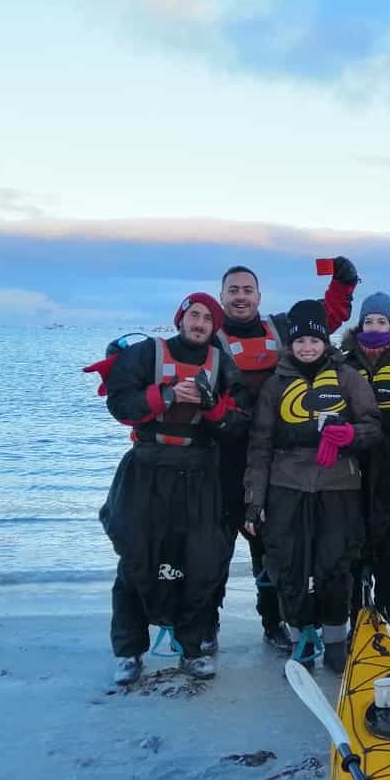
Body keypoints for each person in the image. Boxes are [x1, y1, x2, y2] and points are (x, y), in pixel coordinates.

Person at [99, 293, 249, 687]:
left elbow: (241, 419)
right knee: (136, 558)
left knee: (199, 561)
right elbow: (119, 403)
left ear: (214, 327)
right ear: (181, 318)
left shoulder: (222, 364)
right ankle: (129, 651)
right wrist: (165, 396)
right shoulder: (147, 353)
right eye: (194, 315)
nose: (199, 323)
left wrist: (214, 408)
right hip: (146, 468)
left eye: (207, 319)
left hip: (199, 471)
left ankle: (194, 646)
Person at [214, 259, 358, 653]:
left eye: (247, 290)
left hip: (278, 452)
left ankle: (276, 621)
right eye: (233, 291)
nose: (240, 297)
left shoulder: (280, 328)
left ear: (258, 296)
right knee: (226, 539)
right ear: (222, 297)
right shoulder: (212, 337)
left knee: (272, 544)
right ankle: (210, 626)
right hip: (229, 452)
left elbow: (324, 319)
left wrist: (343, 283)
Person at [242, 300, 380, 674]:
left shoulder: (348, 378)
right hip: (286, 485)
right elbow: (260, 446)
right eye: (300, 340)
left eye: (314, 341)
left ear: (325, 342)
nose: (307, 347)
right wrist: (254, 501)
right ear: (291, 343)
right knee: (289, 565)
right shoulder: (275, 385)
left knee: (335, 564)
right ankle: (302, 633)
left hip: (338, 485)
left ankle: (335, 637)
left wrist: (349, 434)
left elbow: (373, 428)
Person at [337, 291, 390, 623]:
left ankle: (388, 619)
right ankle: (356, 618)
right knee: (353, 549)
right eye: (369, 320)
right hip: (351, 468)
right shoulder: (342, 363)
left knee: (389, 550)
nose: (374, 327)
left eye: (382, 321)